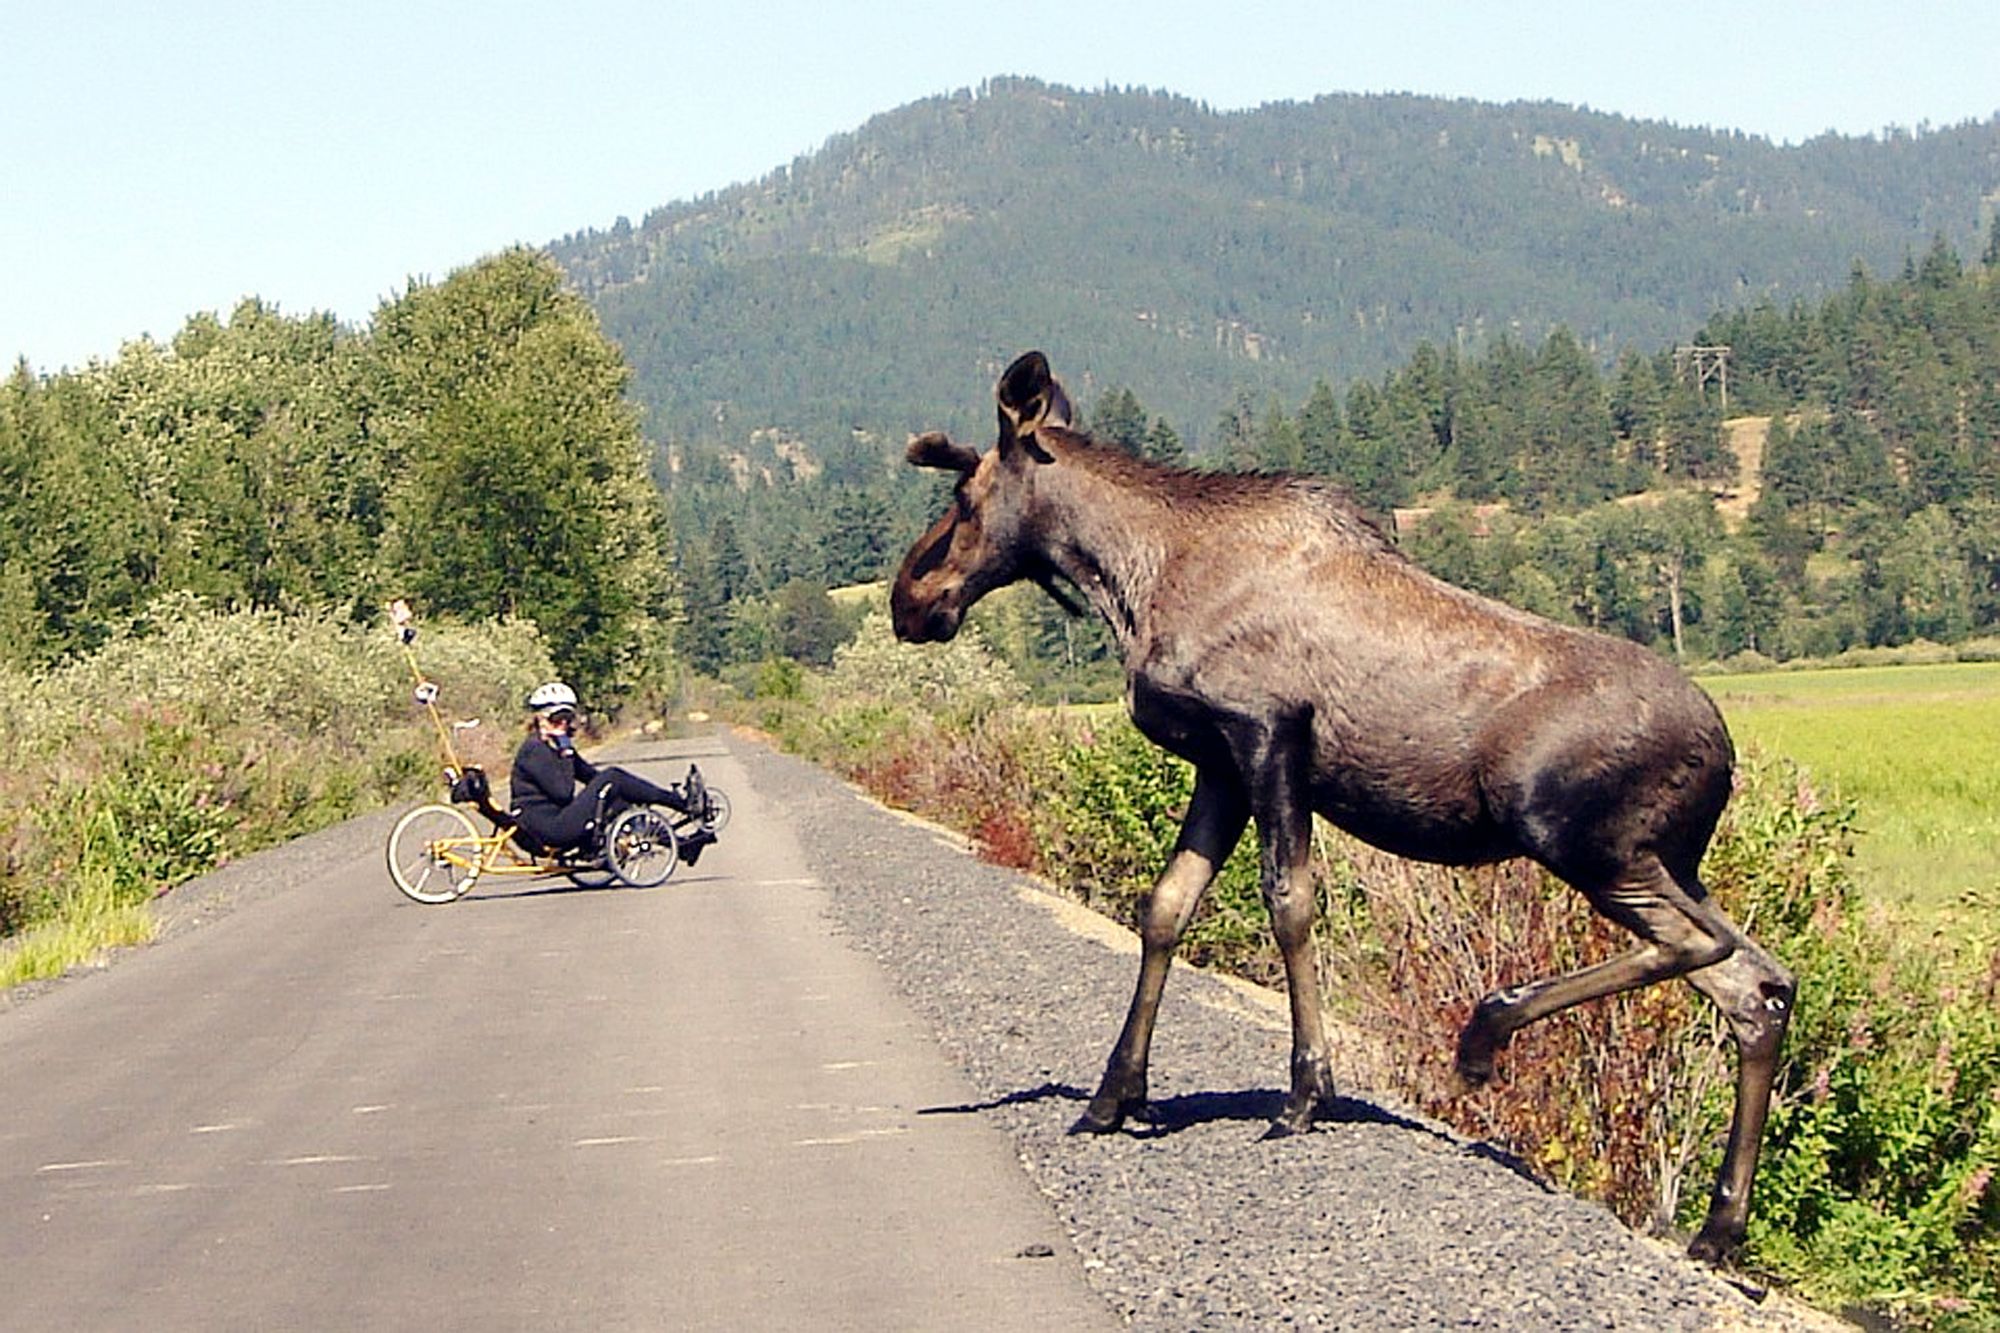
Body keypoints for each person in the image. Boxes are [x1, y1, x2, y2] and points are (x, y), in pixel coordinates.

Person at [509, 682, 717, 866]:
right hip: (547, 827)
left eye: (567, 718)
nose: (563, 724)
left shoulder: (554, 746)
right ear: (540, 720)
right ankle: (682, 803)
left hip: (557, 818)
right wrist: (567, 753)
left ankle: (682, 846)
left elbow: (589, 775)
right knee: (613, 776)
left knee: (614, 794)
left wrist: (622, 793)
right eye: (556, 719)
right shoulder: (534, 750)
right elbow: (563, 792)